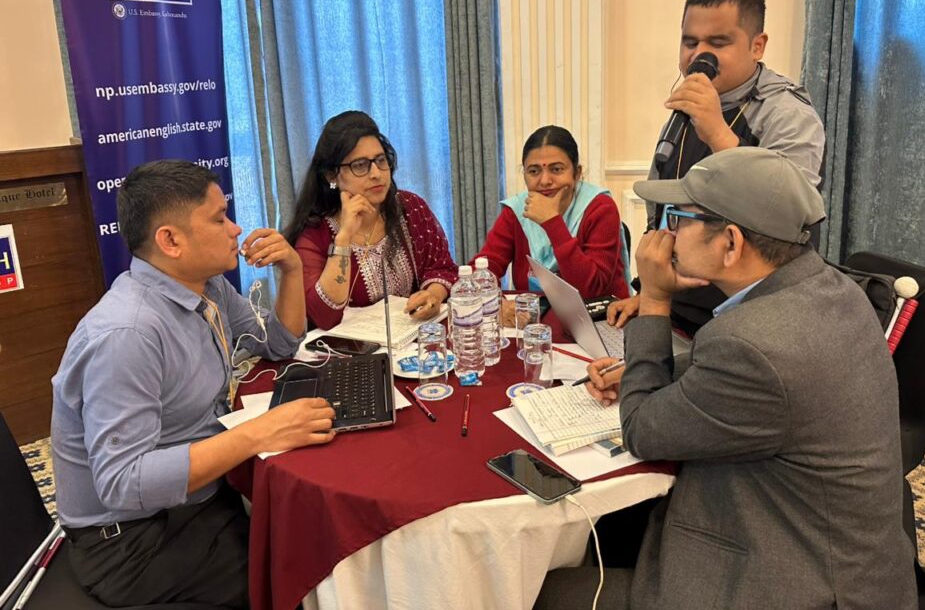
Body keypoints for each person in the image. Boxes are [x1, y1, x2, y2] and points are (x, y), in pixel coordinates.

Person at [536, 147, 916, 609]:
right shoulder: (834, 289)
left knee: (540, 593)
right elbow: (766, 384)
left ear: (731, 243)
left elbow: (641, 429)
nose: (665, 233)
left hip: (796, 580)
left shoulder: (749, 344)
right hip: (846, 553)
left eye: (677, 217)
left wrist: (654, 298)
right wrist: (643, 369)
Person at [50, 160, 335, 608]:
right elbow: (123, 483)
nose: (236, 229)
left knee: (307, 531)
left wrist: (292, 270)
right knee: (299, 575)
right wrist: (257, 433)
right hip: (130, 543)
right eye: (219, 218)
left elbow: (279, 343)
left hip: (191, 502)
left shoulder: (207, 288)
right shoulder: (128, 334)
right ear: (170, 240)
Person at [607, 0, 825, 337]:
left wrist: (718, 133)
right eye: (690, 41)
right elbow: (664, 208)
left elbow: (794, 212)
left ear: (757, 46)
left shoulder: (788, 114)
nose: (698, 55)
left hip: (754, 321)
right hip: (681, 307)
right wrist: (649, 294)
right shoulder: (686, 110)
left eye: (718, 42)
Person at [284, 110, 458, 331]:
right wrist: (344, 238)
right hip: (354, 359)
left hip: (414, 342)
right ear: (331, 175)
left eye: (380, 160)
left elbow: (442, 269)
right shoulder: (314, 235)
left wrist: (432, 295)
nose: (376, 173)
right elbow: (324, 316)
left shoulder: (410, 208)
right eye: (360, 165)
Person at [472, 125, 630, 327]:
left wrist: (552, 223)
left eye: (556, 169)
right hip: (537, 325)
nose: (545, 181)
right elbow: (485, 266)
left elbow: (592, 290)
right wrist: (496, 303)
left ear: (577, 173)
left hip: (600, 321)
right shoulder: (517, 211)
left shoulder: (600, 207)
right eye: (534, 171)